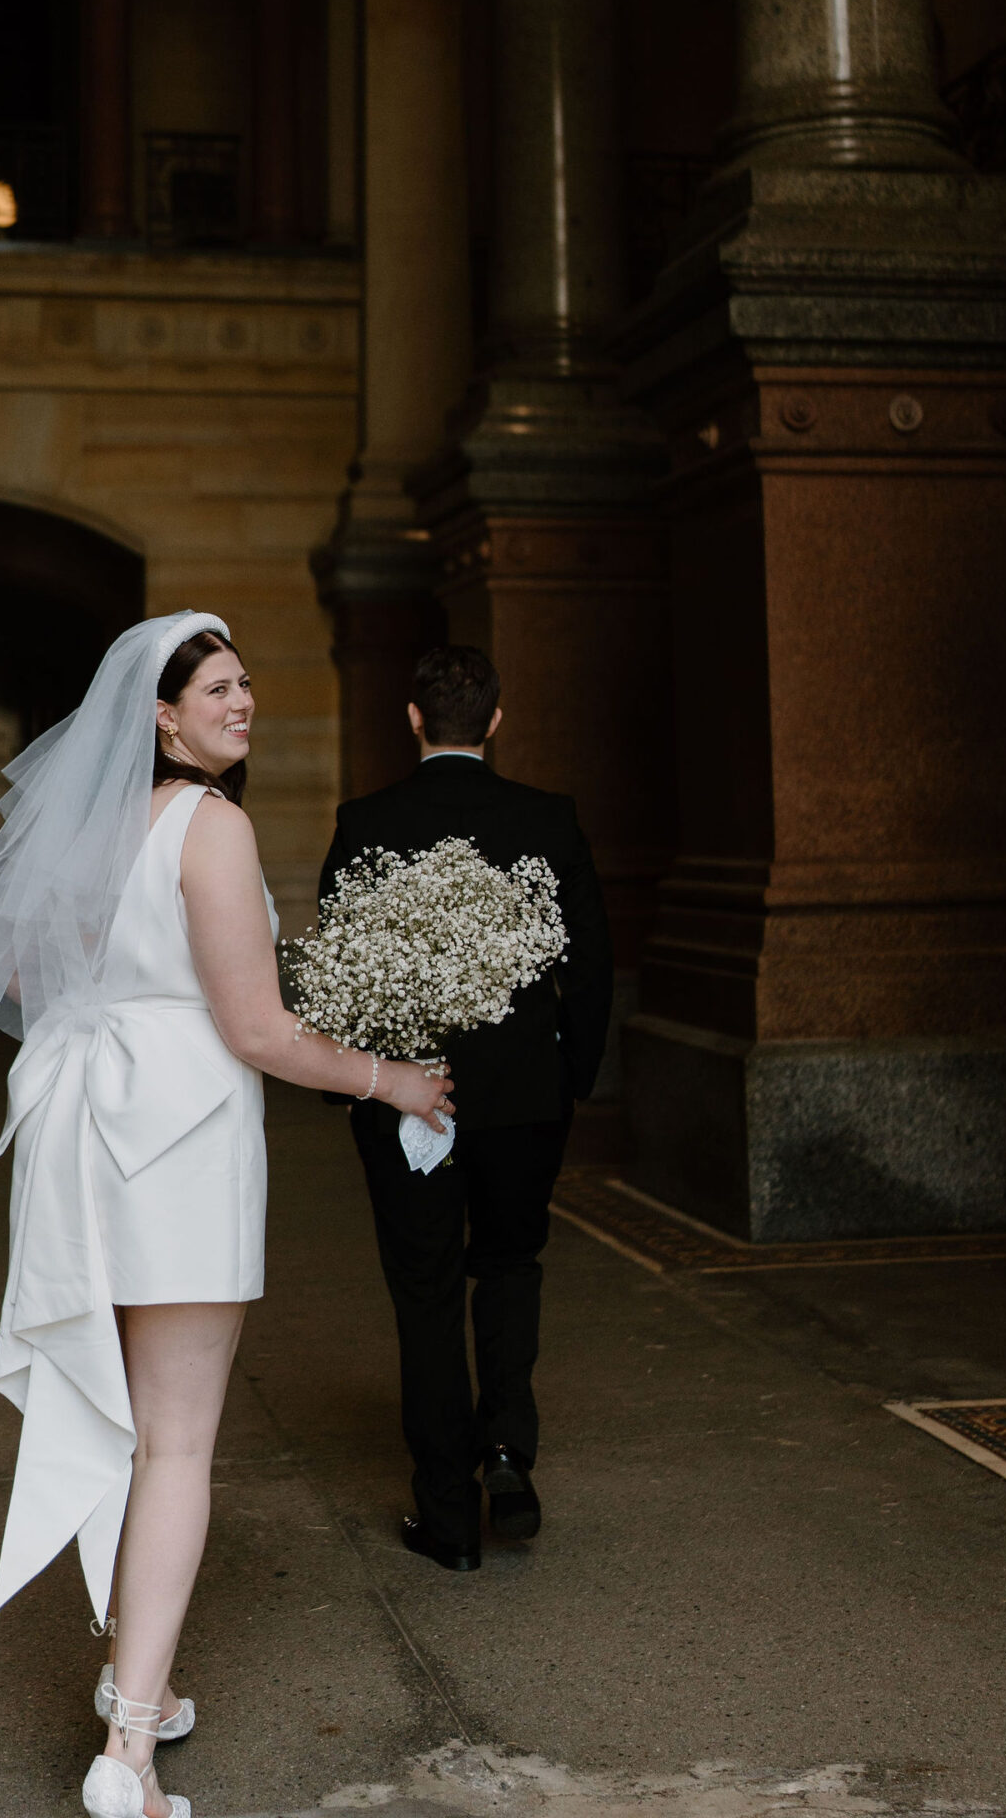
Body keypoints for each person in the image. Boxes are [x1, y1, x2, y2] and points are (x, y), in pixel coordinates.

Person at [0, 614, 451, 1818]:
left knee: (132, 1433)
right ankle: (127, 1751)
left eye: (247, 683)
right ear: (163, 715)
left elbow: (35, 980)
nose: (244, 702)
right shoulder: (211, 828)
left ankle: (149, 1679)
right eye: (219, 687)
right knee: (176, 1442)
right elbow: (260, 1030)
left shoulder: (88, 828)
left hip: (90, 1142)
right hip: (178, 1146)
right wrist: (397, 1078)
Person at [319, 643, 614, 1574]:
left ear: (411, 720)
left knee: (426, 1292)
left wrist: (362, 1088)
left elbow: (339, 974)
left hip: (410, 1102)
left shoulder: (368, 820)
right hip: (525, 1098)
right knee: (511, 1262)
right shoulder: (547, 819)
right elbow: (592, 965)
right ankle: (505, 1447)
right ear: (494, 720)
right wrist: (575, 1080)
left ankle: (446, 1515)